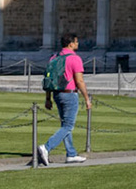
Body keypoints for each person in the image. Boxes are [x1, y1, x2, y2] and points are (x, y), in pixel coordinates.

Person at [34, 32, 92, 167]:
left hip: (57, 94)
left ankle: (71, 154)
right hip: (70, 94)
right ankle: (46, 148)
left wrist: (48, 98)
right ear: (71, 44)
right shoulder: (75, 59)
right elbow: (80, 81)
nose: (78, 44)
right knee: (68, 126)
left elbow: (49, 79)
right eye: (76, 42)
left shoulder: (54, 57)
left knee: (65, 125)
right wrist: (87, 98)